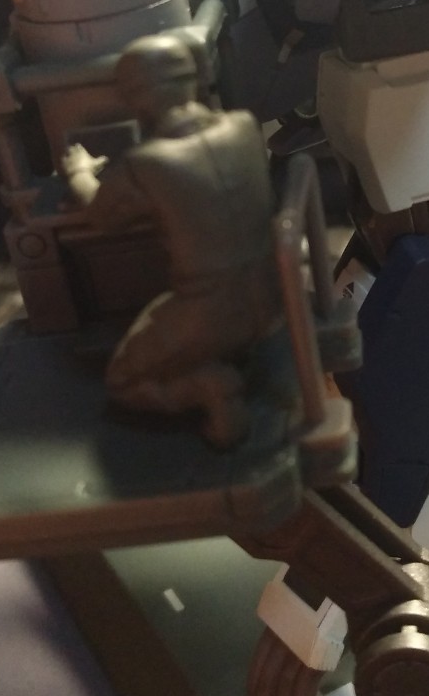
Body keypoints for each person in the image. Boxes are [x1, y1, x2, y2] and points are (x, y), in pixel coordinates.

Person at [62, 35, 282, 447]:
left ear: (136, 99)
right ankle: (236, 358)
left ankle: (208, 387)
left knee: (123, 380)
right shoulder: (245, 125)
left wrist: (80, 171)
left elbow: (99, 215)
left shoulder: (147, 163)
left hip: (208, 316)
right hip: (272, 298)